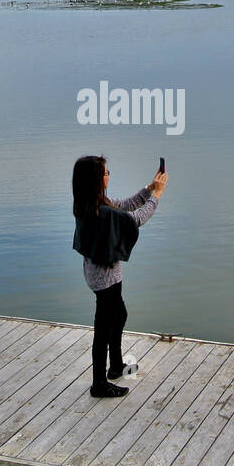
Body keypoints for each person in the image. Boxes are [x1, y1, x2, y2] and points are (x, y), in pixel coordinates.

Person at [71, 155, 167, 397]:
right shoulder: (99, 211)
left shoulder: (92, 203)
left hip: (103, 274)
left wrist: (149, 188)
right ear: (95, 179)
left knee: (119, 314)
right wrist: (158, 195)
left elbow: (125, 205)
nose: (108, 175)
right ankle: (98, 384)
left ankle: (115, 366)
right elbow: (135, 219)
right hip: (104, 279)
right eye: (105, 172)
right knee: (103, 327)